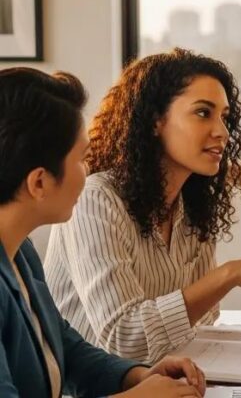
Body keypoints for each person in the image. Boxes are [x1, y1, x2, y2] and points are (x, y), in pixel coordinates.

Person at [44, 48, 241, 363]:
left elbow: (201, 323)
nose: (222, 132)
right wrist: (230, 275)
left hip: (159, 382)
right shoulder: (95, 199)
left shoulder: (192, 207)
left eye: (225, 117)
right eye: (203, 113)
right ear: (154, 121)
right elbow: (124, 339)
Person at [0, 67, 208, 398]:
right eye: (82, 159)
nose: (90, 172)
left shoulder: (20, 252)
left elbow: (63, 348)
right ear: (39, 182)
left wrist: (136, 377)